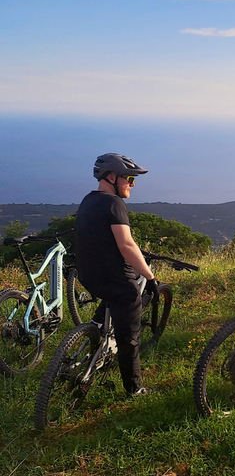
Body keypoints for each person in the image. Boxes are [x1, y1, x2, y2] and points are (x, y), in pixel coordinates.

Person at [74, 153, 159, 396]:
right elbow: (127, 246)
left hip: (89, 276)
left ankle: (96, 326)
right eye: (129, 178)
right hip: (115, 280)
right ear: (111, 177)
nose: (133, 184)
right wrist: (150, 277)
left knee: (112, 298)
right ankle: (134, 388)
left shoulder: (88, 200)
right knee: (129, 337)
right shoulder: (114, 204)